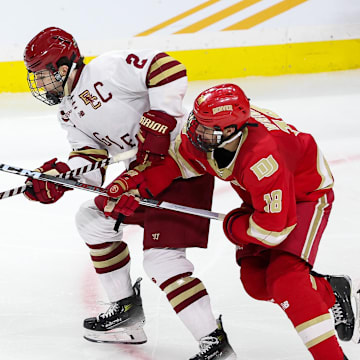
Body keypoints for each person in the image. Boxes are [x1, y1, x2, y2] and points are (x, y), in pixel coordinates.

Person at [23, 27, 236, 360]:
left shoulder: (107, 69)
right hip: (139, 176)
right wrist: (59, 178)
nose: (40, 84)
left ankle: (214, 343)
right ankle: (126, 314)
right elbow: (91, 165)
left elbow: (167, 67)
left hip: (179, 165)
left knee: (162, 259)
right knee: (92, 221)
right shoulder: (67, 112)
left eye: (43, 74)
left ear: (64, 66)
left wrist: (162, 115)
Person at [108, 83, 360, 359]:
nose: (194, 131)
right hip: (263, 203)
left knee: (287, 281)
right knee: (255, 282)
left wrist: (234, 225)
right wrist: (137, 184)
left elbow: (273, 230)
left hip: (304, 198)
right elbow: (179, 162)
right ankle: (331, 290)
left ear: (230, 131)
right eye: (197, 121)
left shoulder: (263, 158)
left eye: (204, 127)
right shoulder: (214, 135)